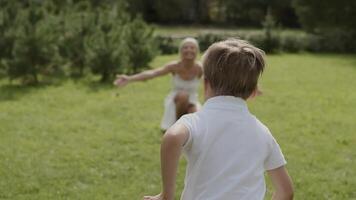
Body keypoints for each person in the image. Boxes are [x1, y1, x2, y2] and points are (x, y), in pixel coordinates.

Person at [143, 39, 294, 200]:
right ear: (253, 92)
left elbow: (172, 136)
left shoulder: (196, 121)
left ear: (206, 84)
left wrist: (166, 195)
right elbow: (285, 191)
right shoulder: (263, 132)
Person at [114, 38, 203, 131]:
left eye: (192, 47)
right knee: (184, 95)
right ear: (180, 51)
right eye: (185, 47)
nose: (189, 50)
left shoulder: (200, 68)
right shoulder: (174, 66)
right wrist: (129, 78)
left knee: (196, 123)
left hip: (192, 99)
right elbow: (153, 73)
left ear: (197, 51)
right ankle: (178, 126)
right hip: (177, 99)